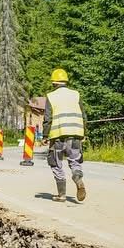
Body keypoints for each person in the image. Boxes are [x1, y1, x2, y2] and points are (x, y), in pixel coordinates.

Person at [42, 68, 86, 202]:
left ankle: (61, 195)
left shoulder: (51, 96)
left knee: (56, 163)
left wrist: (45, 136)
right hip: (76, 134)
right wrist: (83, 133)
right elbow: (83, 116)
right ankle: (78, 178)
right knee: (75, 161)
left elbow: (48, 118)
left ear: (54, 83)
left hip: (58, 136)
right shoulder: (76, 94)